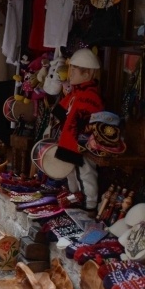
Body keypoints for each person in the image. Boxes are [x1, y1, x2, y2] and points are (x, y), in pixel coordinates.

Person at [49, 48, 103, 210]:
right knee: (71, 173)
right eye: (70, 69)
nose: (70, 73)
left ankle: (89, 206)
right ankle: (75, 200)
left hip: (82, 144)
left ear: (87, 74)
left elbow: (81, 120)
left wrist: (77, 141)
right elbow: (63, 111)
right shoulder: (76, 93)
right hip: (71, 141)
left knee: (85, 174)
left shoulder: (89, 97)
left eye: (74, 70)